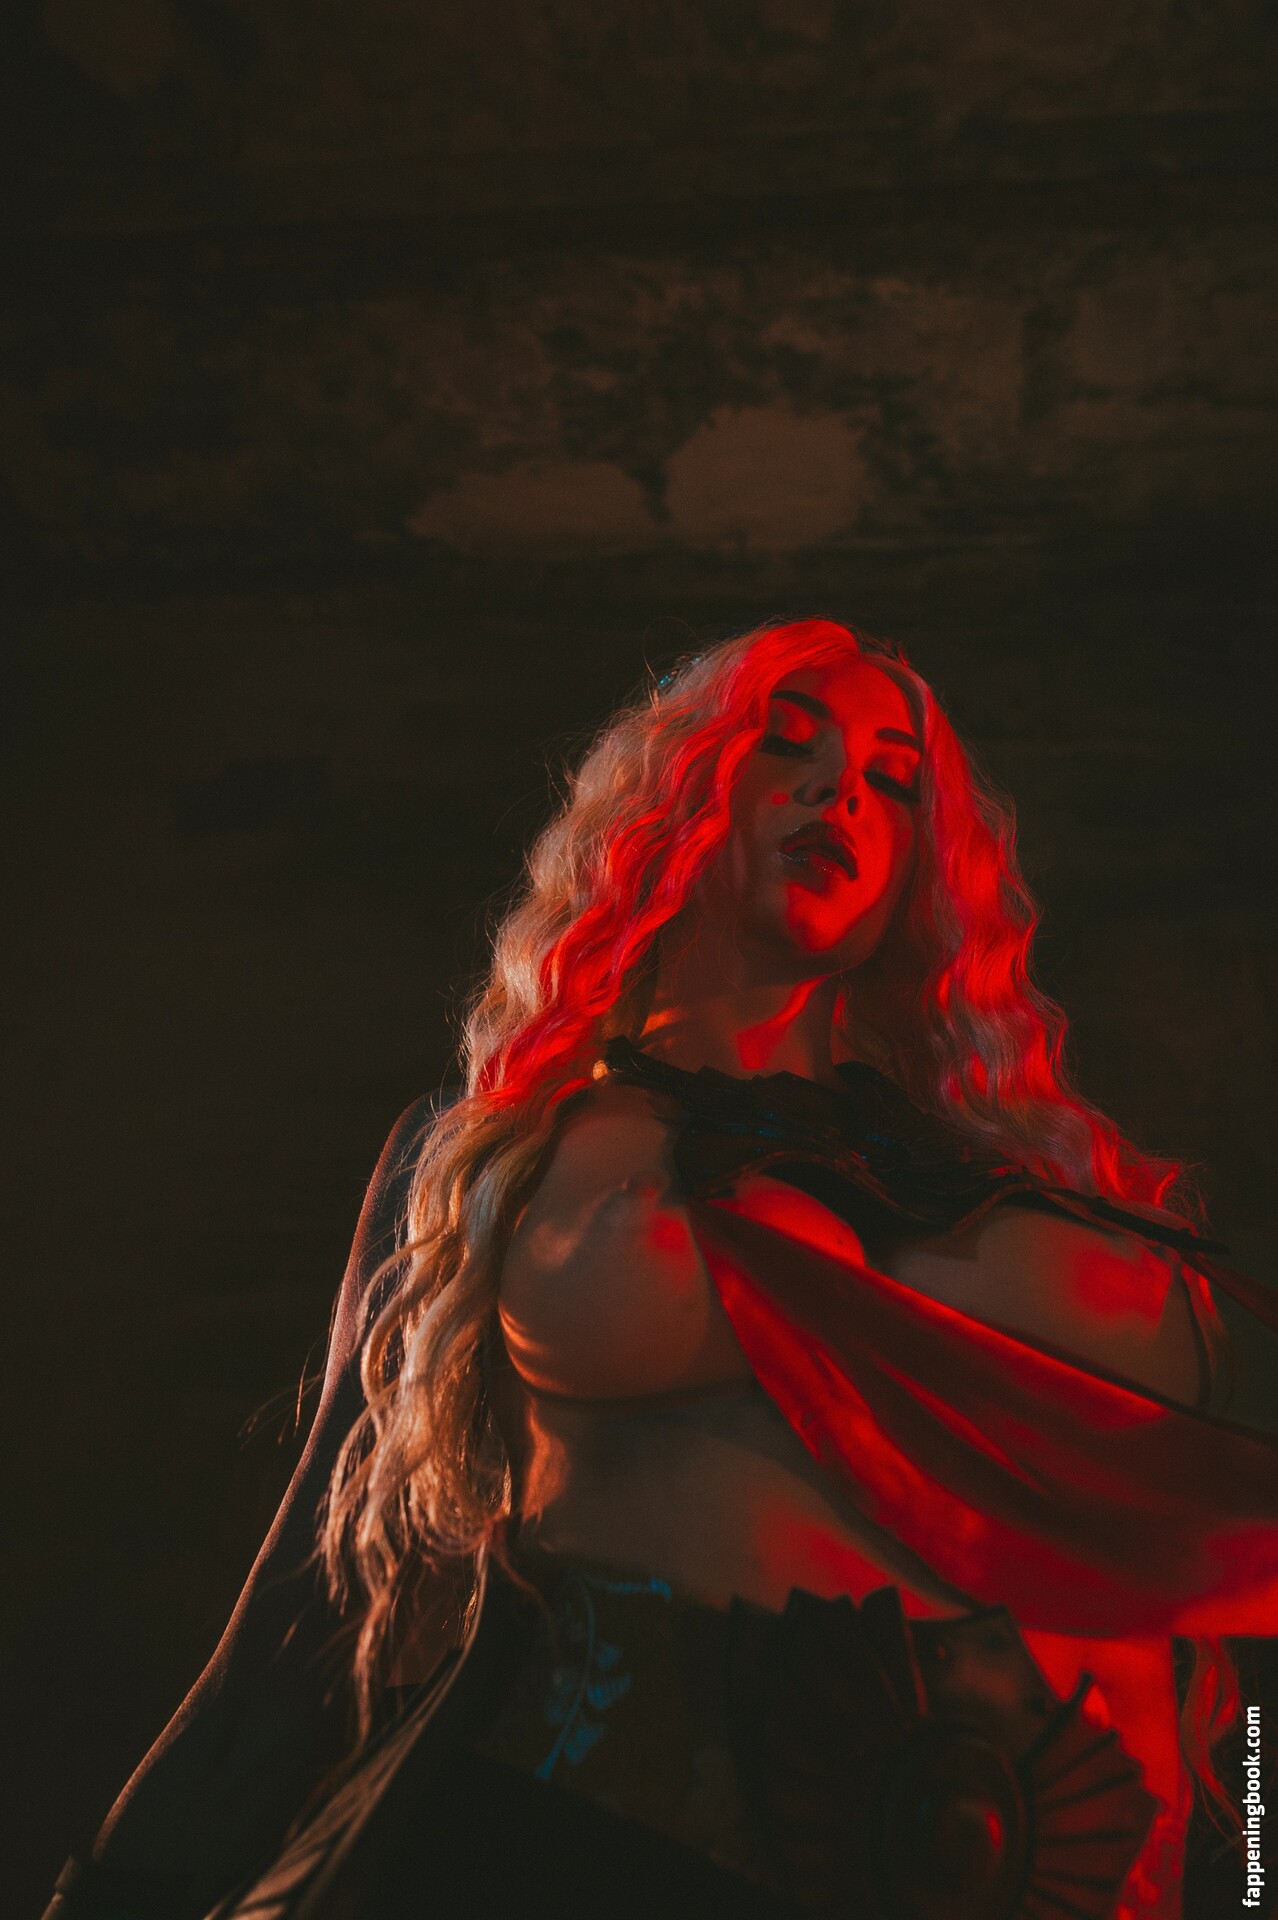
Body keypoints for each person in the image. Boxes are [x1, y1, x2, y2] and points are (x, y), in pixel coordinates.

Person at [46, 619, 1278, 1920]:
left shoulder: (991, 1184)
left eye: (891, 779)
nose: (839, 791)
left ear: (924, 863)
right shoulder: (490, 1156)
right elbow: (311, 1604)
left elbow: (1207, 1571)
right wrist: (119, 1895)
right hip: (565, 1852)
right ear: (677, 790)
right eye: (786, 745)